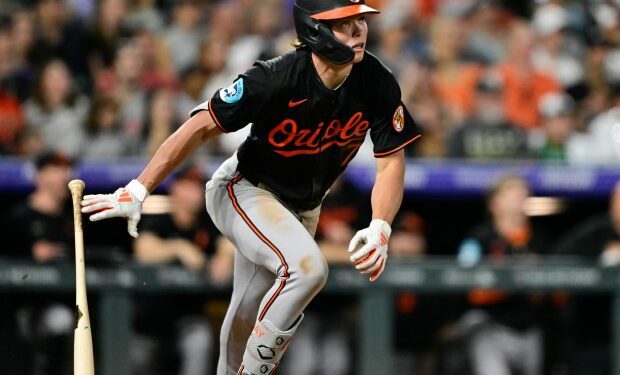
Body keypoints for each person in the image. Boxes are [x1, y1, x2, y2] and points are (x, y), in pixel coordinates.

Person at [81, 1, 420, 374]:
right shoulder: (276, 76)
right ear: (314, 28)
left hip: (302, 207)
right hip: (243, 189)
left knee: (247, 314)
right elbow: (202, 125)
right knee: (308, 270)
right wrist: (141, 187)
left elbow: (390, 162)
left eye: (360, 20)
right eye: (344, 23)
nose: (358, 30)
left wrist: (381, 224)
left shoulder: (376, 80)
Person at [132, 164, 233, 375]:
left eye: (197, 186)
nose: (192, 193)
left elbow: (230, 242)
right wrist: (178, 247)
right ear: (175, 188)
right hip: (150, 319)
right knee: (139, 354)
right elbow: (143, 249)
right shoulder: (159, 218)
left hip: (187, 317)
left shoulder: (207, 224)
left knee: (199, 340)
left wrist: (225, 256)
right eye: (186, 185)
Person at [455, 176, 548, 375]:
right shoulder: (478, 239)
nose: (519, 202)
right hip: (492, 325)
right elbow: (468, 286)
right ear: (494, 204)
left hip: (530, 328)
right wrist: (507, 281)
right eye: (513, 196)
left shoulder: (537, 240)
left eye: (523, 196)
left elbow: (548, 294)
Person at [3, 150, 75, 375]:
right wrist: (29, 254)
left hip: (58, 303)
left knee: (62, 321)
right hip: (17, 306)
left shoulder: (68, 221)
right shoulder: (18, 216)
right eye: (56, 169)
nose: (64, 175)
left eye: (66, 169)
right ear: (40, 176)